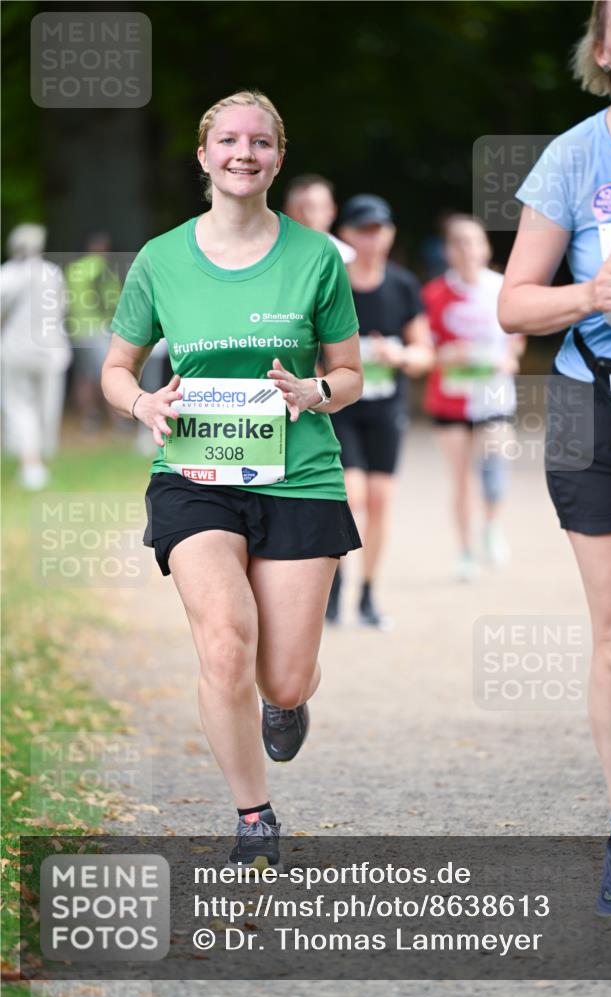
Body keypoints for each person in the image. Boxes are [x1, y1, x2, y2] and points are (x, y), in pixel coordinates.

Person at [102, 90, 362, 868]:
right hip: (194, 475)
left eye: (259, 142)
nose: (242, 153)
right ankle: (254, 816)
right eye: (227, 140)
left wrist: (316, 391)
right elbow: (117, 369)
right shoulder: (161, 258)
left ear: (277, 159)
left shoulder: (316, 257)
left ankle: (287, 704)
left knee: (283, 677)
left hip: (299, 476)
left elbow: (350, 373)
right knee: (224, 642)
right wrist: (143, 402)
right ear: (203, 154)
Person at [498, 0, 611, 918]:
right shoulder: (570, 159)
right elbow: (513, 305)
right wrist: (588, 294)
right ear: (602, 49)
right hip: (590, 407)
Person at [327, 195, 434, 627]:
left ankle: (368, 593)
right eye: (363, 231)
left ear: (390, 235)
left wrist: (399, 355)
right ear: (346, 236)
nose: (372, 240)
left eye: (379, 231)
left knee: (380, 501)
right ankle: (334, 585)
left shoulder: (403, 285)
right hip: (341, 407)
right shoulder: (333, 283)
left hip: (386, 409)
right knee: (350, 496)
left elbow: (425, 353)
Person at [423, 214, 525, 581]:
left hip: (494, 396)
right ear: (449, 251)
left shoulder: (503, 289)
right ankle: (465, 551)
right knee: (461, 478)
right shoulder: (434, 294)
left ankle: (492, 524)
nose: (467, 250)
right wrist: (446, 355)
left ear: (486, 247)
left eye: (474, 242)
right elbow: (425, 348)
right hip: (451, 398)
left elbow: (516, 341)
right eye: (459, 243)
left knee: (496, 460)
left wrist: (508, 359)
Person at [1, 223, 72, 489]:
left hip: (16, 350)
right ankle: (37, 459)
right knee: (46, 406)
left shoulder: (8, 274)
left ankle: (30, 463)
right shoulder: (52, 272)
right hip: (51, 350)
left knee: (19, 405)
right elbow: (62, 309)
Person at [66, 232, 121, 432]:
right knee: (108, 373)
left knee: (84, 376)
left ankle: (90, 417)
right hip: (98, 328)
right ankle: (117, 420)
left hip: (77, 330)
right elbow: (112, 301)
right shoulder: (103, 268)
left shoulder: (73, 269)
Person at [283, 173, 356, 263]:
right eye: (300, 209)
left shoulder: (348, 258)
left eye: (317, 208)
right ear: (287, 212)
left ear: (332, 211)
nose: (308, 215)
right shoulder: (273, 255)